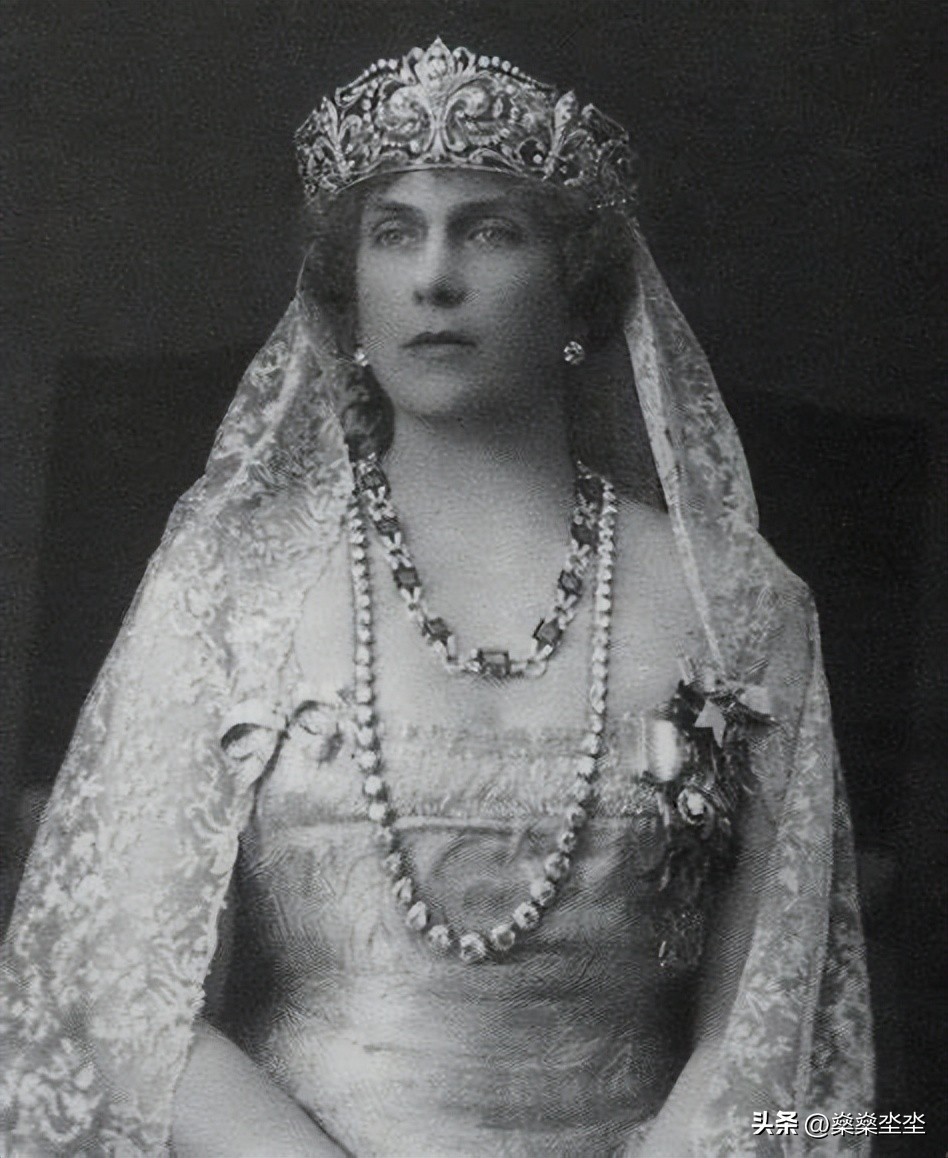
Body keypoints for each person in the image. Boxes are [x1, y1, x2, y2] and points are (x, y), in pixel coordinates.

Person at [0, 39, 873, 1157]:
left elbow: (764, 1018)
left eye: (491, 231)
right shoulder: (229, 582)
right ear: (350, 292)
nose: (434, 278)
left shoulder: (739, 604)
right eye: (395, 232)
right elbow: (127, 996)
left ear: (577, 288)